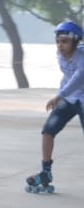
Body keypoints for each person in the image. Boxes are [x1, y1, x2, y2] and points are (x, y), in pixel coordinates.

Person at [27, 20, 84, 193]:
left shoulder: (82, 57)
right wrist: (61, 94)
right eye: (58, 41)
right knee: (48, 131)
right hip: (68, 98)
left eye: (65, 41)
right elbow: (67, 78)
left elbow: (78, 79)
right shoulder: (60, 55)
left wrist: (59, 95)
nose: (60, 45)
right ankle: (46, 172)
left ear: (75, 41)